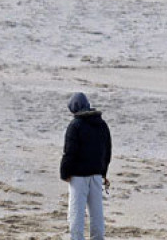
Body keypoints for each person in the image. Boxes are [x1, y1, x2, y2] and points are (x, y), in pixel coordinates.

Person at [60, 92, 112, 240]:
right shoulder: (101, 124)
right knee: (97, 213)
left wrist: (64, 173)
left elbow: (69, 152)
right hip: (96, 174)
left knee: (76, 214)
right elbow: (107, 150)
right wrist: (103, 172)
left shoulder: (75, 125)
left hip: (78, 177)